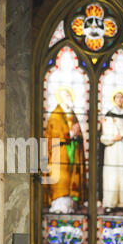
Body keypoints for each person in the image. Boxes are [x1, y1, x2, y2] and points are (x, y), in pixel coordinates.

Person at [44, 86, 87, 214]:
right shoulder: (55, 115)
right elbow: (54, 135)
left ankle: (71, 206)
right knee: (62, 178)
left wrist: (76, 135)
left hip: (73, 151)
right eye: (66, 96)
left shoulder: (72, 114)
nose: (69, 98)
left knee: (73, 177)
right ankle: (59, 206)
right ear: (61, 98)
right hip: (60, 153)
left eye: (69, 95)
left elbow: (78, 132)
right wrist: (71, 134)